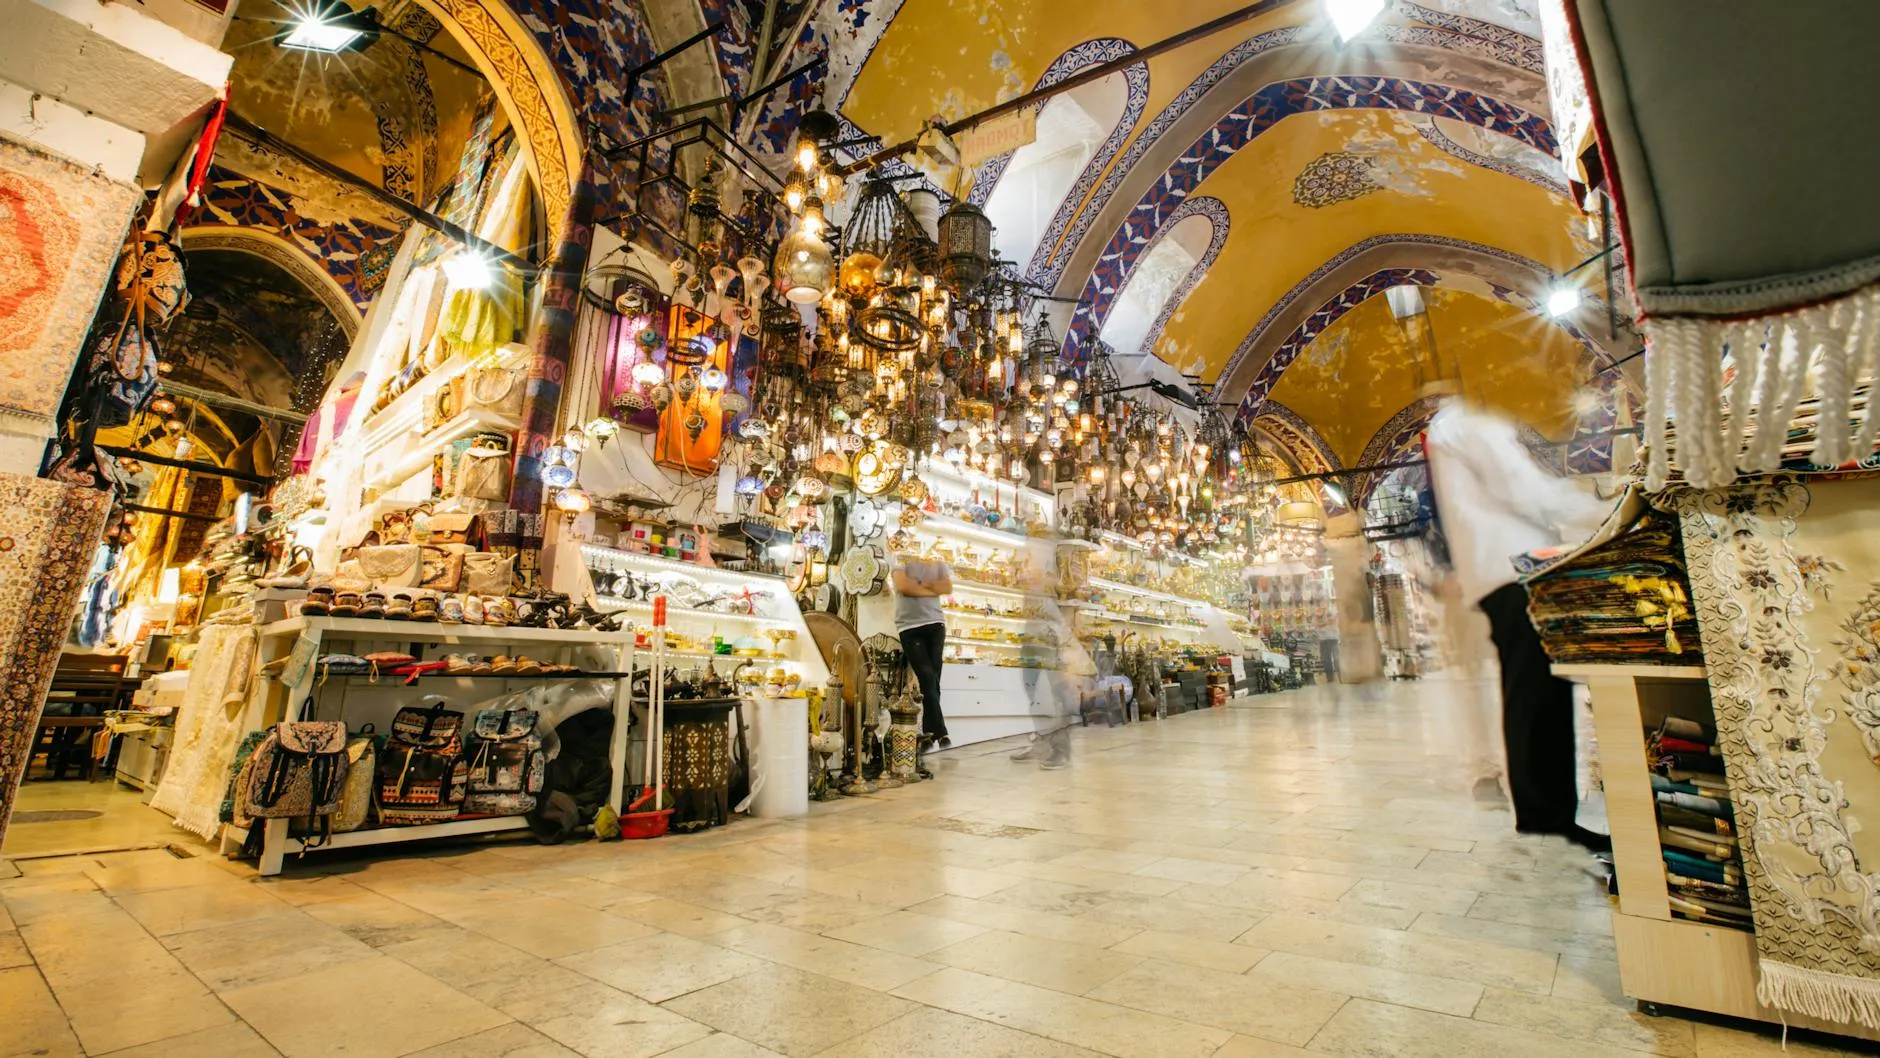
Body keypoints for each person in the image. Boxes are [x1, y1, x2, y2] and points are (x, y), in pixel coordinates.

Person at [1424, 395, 1612, 853]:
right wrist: (1600, 513)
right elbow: (1522, 487)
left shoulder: (1454, 423)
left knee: (1535, 691)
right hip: (1515, 569)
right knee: (1535, 694)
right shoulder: (1470, 418)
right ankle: (1545, 815)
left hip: (1501, 571)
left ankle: (1544, 811)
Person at [892, 551, 952, 749]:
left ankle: (929, 733)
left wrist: (918, 585)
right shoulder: (900, 558)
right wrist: (930, 587)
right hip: (908, 627)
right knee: (927, 676)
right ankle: (940, 732)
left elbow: (946, 586)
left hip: (935, 624)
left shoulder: (937, 563)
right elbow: (903, 586)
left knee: (933, 681)